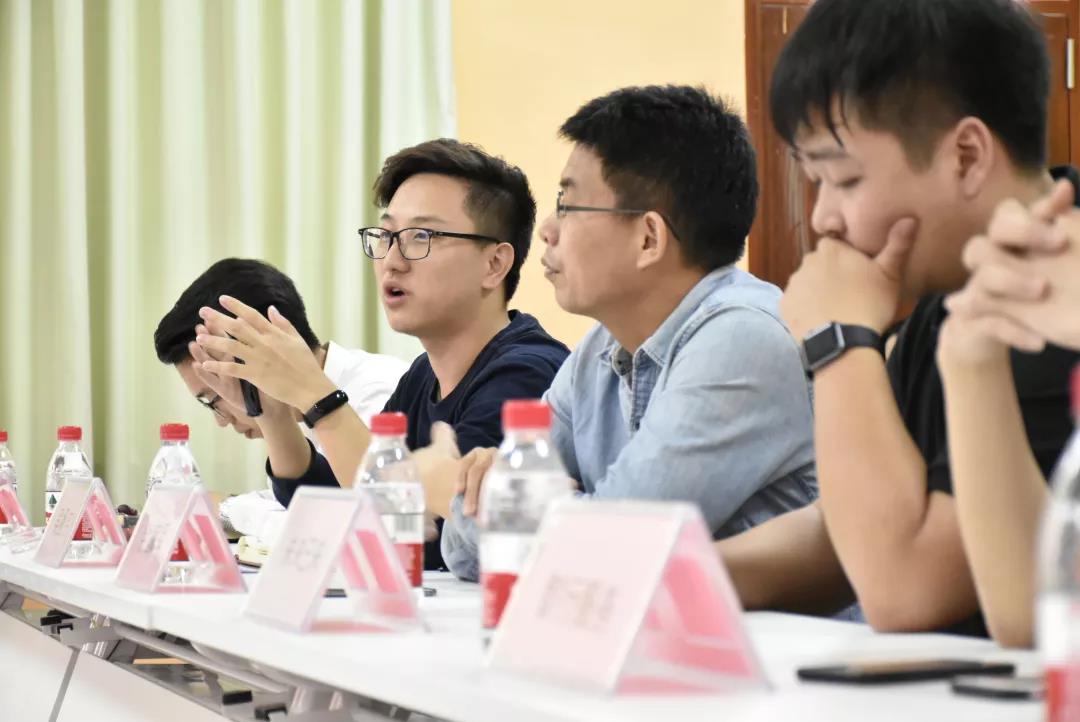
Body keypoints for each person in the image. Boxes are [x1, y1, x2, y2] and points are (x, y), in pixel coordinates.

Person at [716, 0, 1080, 641]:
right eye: (814, 181)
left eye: (844, 179)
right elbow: (848, 530)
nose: (823, 218)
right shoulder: (951, 301)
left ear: (966, 156)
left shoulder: (1054, 294)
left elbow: (908, 588)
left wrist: (837, 341)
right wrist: (664, 569)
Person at [447, 85, 817, 582]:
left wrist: (527, 499)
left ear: (648, 239)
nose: (547, 230)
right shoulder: (599, 349)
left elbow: (617, 547)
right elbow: (465, 548)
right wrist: (548, 507)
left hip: (778, 634)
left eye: (568, 204)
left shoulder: (744, 339)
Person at [191, 139, 569, 570]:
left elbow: (427, 531)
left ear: (495, 264)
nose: (392, 261)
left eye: (421, 237)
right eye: (386, 236)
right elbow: (340, 510)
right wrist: (274, 415)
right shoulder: (423, 375)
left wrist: (318, 397)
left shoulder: (526, 374)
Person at [154, 257, 408, 538]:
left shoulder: (380, 391)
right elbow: (295, 506)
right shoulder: (286, 412)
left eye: (214, 399)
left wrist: (229, 510)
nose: (221, 421)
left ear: (255, 347)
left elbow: (347, 525)